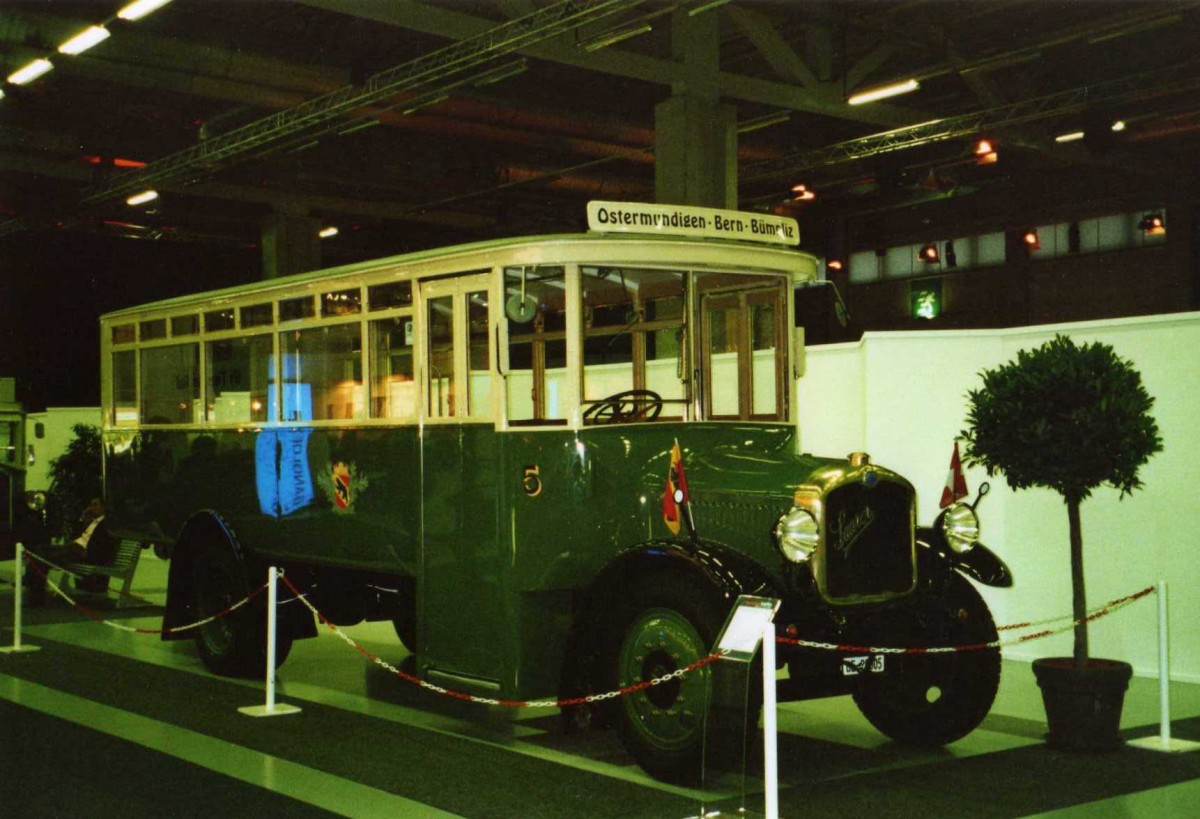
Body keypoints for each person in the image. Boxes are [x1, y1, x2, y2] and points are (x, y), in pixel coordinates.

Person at [22, 496, 117, 605]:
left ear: (103, 507)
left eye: (95, 505)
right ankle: (33, 588)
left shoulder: (106, 523)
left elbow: (103, 545)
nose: (91, 508)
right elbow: (76, 535)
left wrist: (85, 551)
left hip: (82, 552)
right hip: (74, 547)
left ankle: (33, 592)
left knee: (43, 557)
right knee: (40, 550)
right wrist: (82, 519)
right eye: (91, 505)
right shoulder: (90, 521)